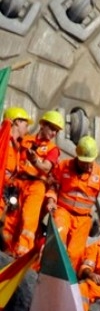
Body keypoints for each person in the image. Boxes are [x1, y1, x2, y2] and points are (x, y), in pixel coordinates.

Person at [46, 135, 100, 271]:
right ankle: (42, 271)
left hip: (83, 219)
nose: (86, 165)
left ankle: (65, 283)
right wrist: (51, 200)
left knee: (75, 254)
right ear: (77, 156)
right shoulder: (64, 166)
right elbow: (52, 185)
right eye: (83, 161)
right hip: (63, 211)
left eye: (89, 162)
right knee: (57, 241)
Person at [14, 110, 63, 256]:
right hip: (18, 182)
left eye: (57, 131)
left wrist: (35, 160)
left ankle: (22, 253)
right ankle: (6, 249)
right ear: (43, 125)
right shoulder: (26, 140)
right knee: (12, 217)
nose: (54, 133)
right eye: (52, 128)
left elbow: (46, 167)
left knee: (29, 218)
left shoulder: (53, 149)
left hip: (37, 186)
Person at [0, 106, 32, 254]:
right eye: (26, 124)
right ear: (17, 122)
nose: (27, 128)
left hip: (5, 194)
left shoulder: (17, 147)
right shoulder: (2, 142)